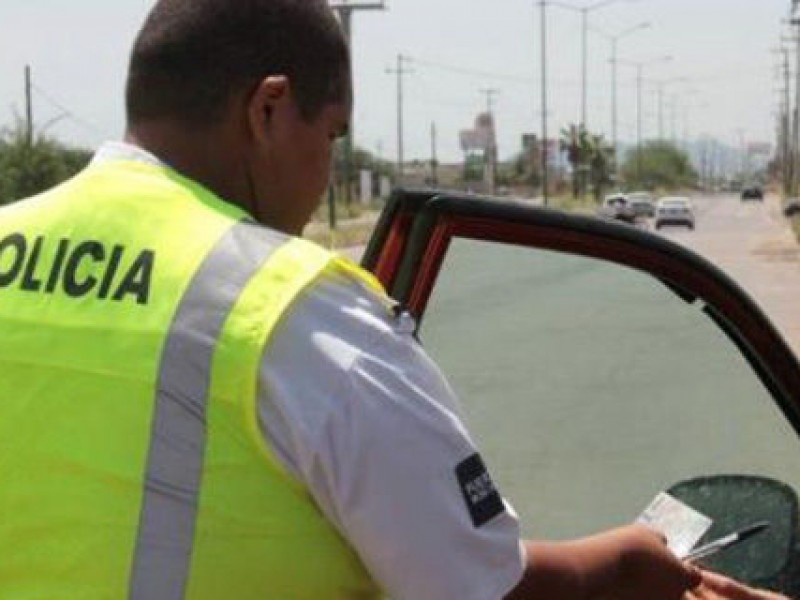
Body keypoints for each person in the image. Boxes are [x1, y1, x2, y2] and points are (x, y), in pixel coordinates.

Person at [0, 1, 789, 599]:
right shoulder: (282, 304)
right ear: (269, 109)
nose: (324, 170)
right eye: (333, 134)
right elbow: (479, 587)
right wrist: (626, 562)